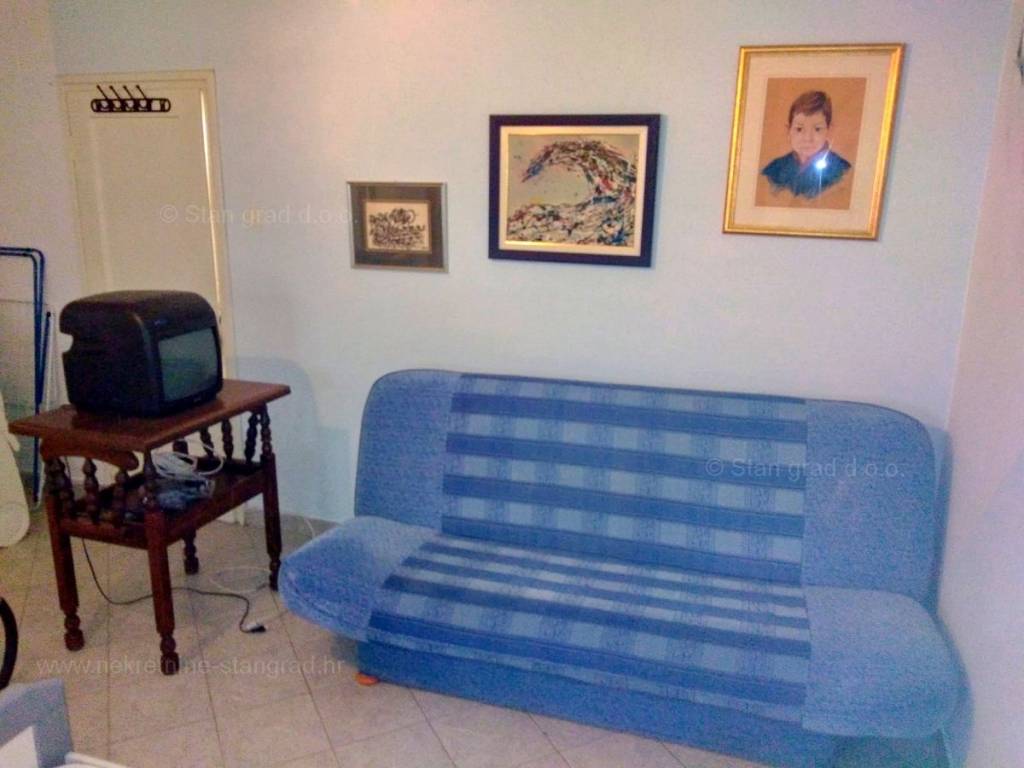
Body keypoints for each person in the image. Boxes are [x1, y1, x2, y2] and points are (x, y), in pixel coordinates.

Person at [761, 90, 851, 199]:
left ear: (829, 131)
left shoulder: (843, 172)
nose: (808, 138)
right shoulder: (774, 170)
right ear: (788, 131)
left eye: (817, 129)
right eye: (799, 129)